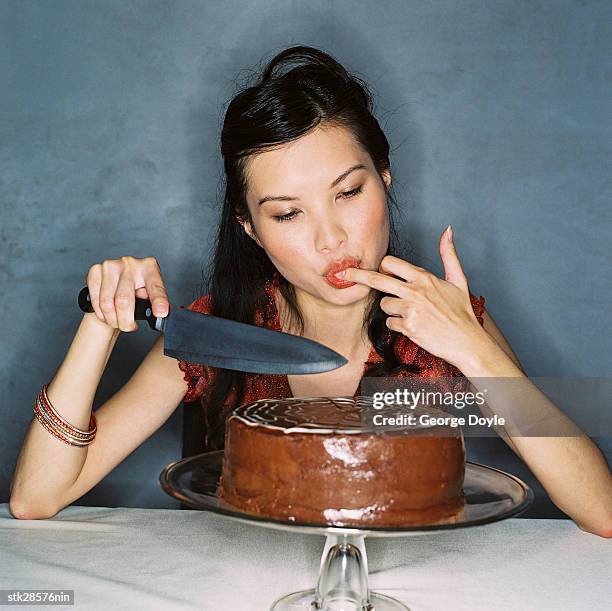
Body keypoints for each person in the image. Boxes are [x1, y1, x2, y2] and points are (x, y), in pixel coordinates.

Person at [9, 46, 611, 536]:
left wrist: (475, 350)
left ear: (385, 178)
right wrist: (101, 320)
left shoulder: (445, 323)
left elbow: (603, 513)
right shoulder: (217, 329)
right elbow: (37, 499)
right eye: (287, 214)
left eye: (348, 192)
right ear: (251, 229)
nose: (330, 238)